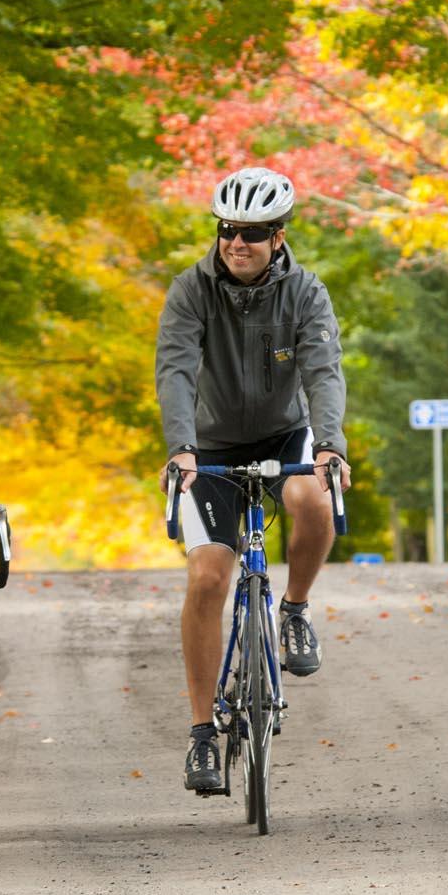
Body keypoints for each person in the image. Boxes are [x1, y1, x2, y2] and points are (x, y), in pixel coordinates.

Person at [156, 167, 352, 793]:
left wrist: (329, 446)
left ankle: (293, 609)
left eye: (254, 233)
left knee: (310, 495)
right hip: (209, 445)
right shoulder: (190, 290)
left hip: (284, 434)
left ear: (279, 236)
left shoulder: (307, 293)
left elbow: (323, 373)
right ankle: (201, 735)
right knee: (210, 573)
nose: (237, 243)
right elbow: (177, 372)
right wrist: (183, 450)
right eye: (228, 230)